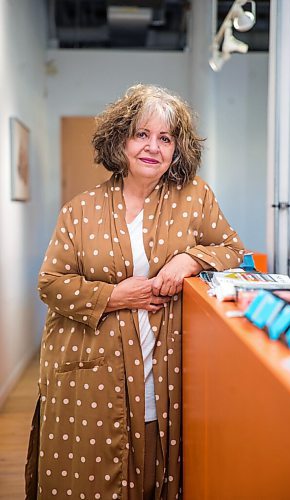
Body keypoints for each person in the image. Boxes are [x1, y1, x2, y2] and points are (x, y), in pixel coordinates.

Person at [25, 84, 245, 499]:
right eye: (142, 134)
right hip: (93, 371)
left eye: (165, 138)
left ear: (177, 150)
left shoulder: (195, 198)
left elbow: (232, 249)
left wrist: (191, 259)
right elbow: (50, 283)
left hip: (163, 370)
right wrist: (113, 296)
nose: (153, 147)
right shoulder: (80, 209)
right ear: (120, 140)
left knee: (151, 474)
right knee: (91, 478)